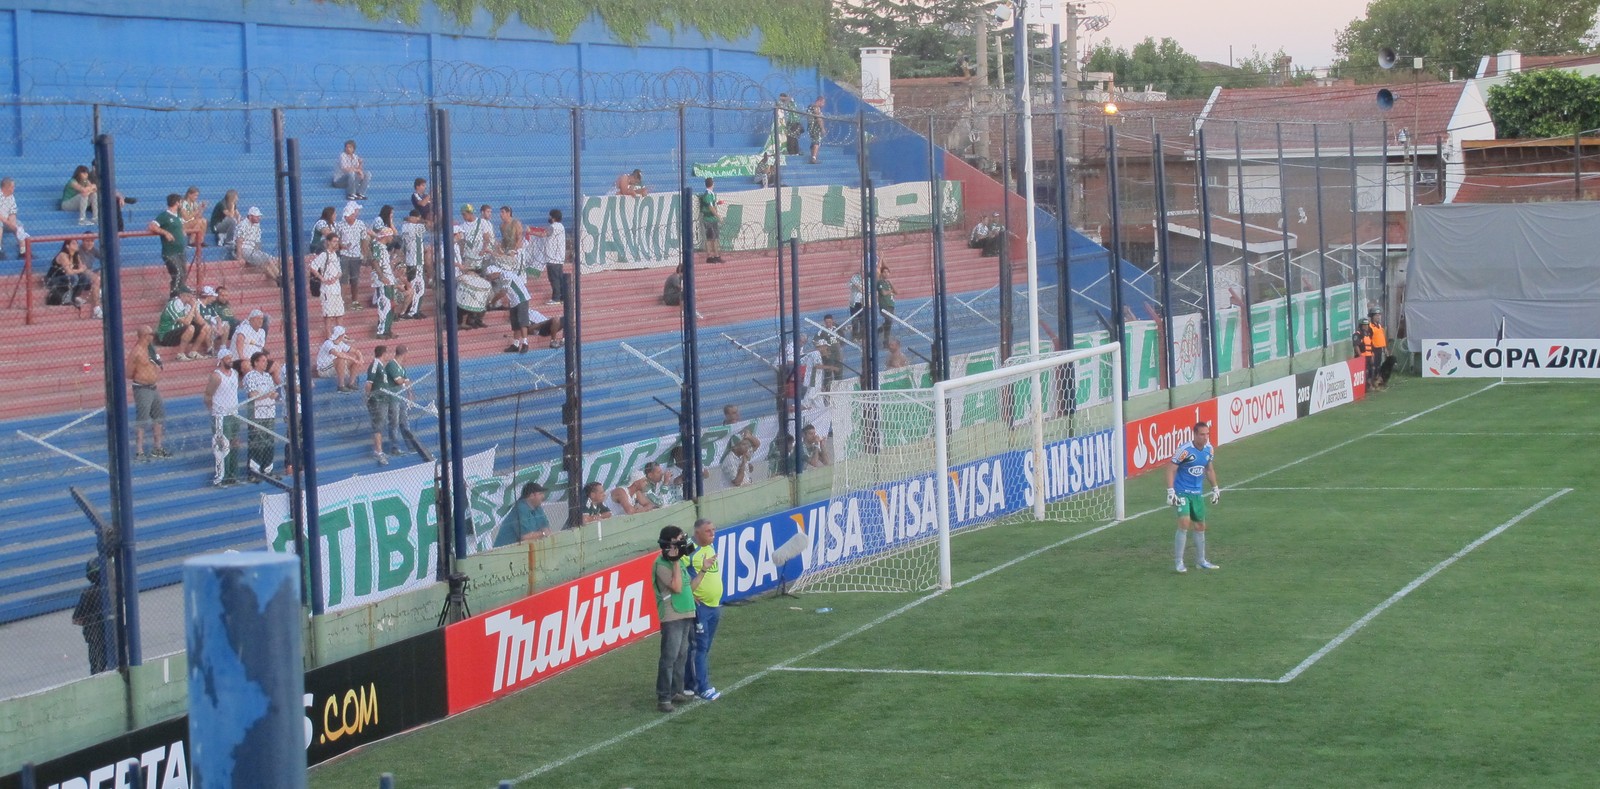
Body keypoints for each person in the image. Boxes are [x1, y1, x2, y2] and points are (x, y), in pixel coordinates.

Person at [1165, 421, 1221, 573]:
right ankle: (1178, 562)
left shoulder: (1209, 449)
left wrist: (1215, 488)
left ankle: (1201, 561)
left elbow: (1209, 469)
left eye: (1207, 434)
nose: (1205, 437)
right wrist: (1171, 492)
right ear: (1195, 434)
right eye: (1202, 434)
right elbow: (1171, 469)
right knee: (1184, 522)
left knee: (1200, 526)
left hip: (1197, 493)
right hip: (1182, 491)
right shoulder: (1184, 450)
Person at [653, 525, 697, 712]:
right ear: (671, 541)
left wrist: (702, 571)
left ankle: (676, 691)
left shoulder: (677, 561)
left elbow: (688, 586)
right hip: (672, 615)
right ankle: (664, 697)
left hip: (686, 612)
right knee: (669, 657)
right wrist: (677, 561)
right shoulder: (661, 564)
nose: (682, 541)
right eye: (679, 538)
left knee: (681, 655)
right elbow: (677, 587)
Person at [682, 518, 723, 701]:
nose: (712, 534)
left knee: (703, 648)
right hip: (701, 608)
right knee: (699, 647)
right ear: (697, 533)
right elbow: (676, 570)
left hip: (714, 606)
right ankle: (702, 687)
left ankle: (689, 684)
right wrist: (688, 594)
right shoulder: (690, 547)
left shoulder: (709, 546)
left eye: (713, 530)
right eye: (708, 531)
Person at [129, 326, 169, 460]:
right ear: (144, 336)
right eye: (151, 334)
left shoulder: (150, 349)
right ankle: (139, 450)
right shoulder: (136, 352)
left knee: (158, 417)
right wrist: (142, 375)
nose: (153, 336)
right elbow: (128, 373)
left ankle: (157, 447)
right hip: (142, 388)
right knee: (142, 419)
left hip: (153, 387)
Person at [205, 349, 244, 487]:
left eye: (231, 358)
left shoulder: (234, 373)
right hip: (221, 415)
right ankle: (220, 477)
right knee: (222, 446)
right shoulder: (216, 376)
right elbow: (208, 395)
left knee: (235, 443)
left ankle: (233, 475)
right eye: (227, 358)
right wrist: (213, 411)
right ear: (221, 360)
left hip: (233, 413)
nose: (230, 361)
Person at [242, 351, 279, 481]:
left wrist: (271, 395)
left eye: (266, 361)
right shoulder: (250, 376)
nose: (265, 363)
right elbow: (254, 395)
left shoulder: (268, 376)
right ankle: (254, 472)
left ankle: (267, 469)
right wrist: (267, 395)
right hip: (256, 414)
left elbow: (273, 392)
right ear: (255, 362)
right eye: (262, 361)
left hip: (269, 412)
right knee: (256, 441)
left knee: (269, 440)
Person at [71, 561, 111, 675]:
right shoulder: (113, 589)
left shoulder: (88, 593)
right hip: (112, 632)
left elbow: (76, 619)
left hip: (94, 634)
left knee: (97, 666)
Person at [488, 262, 534, 353]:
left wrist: (492, 302)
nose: (490, 278)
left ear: (494, 273)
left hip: (521, 299)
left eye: (490, 275)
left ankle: (525, 343)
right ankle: (516, 344)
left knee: (522, 321)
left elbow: (503, 292)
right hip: (514, 301)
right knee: (515, 323)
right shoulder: (501, 277)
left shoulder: (506, 275)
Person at [155, 287, 212, 361]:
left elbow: (201, 322)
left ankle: (193, 352)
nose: (191, 298)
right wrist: (193, 307)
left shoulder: (187, 304)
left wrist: (194, 307)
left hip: (179, 333)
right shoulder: (175, 303)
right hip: (166, 335)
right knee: (190, 328)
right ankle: (180, 354)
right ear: (182, 295)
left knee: (205, 327)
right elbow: (186, 322)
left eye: (191, 296)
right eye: (188, 296)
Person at [149, 193, 189, 293]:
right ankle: (174, 295)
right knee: (178, 273)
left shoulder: (178, 215)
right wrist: (165, 232)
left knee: (183, 272)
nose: (181, 204)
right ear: (177, 202)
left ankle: (180, 293)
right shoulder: (165, 215)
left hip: (180, 250)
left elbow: (183, 224)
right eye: (180, 202)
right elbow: (152, 226)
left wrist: (182, 230)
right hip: (170, 252)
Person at [335, 202, 369, 311]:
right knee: (343, 280)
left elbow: (364, 239)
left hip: (356, 255)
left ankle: (355, 301)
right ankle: (341, 301)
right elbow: (336, 240)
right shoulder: (340, 225)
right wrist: (342, 245)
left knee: (355, 279)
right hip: (344, 255)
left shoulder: (360, 224)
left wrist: (364, 254)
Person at [310, 234, 347, 336]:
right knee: (328, 314)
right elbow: (313, 266)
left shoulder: (335, 255)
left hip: (336, 288)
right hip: (327, 289)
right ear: (328, 242)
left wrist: (336, 277)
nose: (336, 243)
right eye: (334, 241)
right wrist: (322, 278)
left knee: (339, 313)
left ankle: (340, 335)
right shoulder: (324, 255)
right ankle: (329, 336)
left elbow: (340, 271)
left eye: (337, 241)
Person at [495, 482, 551, 547]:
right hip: (504, 550)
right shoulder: (520, 508)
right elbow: (525, 537)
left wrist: (542, 533)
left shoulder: (537, 507)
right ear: (532, 496)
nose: (543, 496)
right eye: (540, 494)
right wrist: (543, 533)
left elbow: (546, 528)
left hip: (521, 548)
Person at [385, 345, 417, 454]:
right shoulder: (391, 365)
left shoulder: (401, 367)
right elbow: (399, 381)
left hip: (400, 397)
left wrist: (410, 394)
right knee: (394, 422)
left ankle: (411, 446)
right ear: (403, 354)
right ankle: (394, 447)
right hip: (392, 398)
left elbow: (407, 382)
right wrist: (406, 382)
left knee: (405, 422)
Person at [365, 345, 393, 466]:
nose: (388, 355)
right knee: (378, 424)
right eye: (387, 353)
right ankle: (379, 451)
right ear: (383, 353)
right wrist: (368, 396)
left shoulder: (382, 366)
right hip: (377, 400)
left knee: (380, 424)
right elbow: (368, 383)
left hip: (383, 399)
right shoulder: (375, 365)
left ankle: (378, 450)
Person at [399, 209, 429, 319]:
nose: (418, 219)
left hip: (411, 260)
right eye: (416, 217)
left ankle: (415, 309)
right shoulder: (416, 227)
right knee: (419, 287)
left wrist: (410, 219)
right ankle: (413, 311)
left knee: (416, 286)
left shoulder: (405, 226)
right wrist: (421, 220)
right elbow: (428, 225)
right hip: (416, 261)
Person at [315, 325, 364, 392]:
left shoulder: (340, 343)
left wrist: (360, 359)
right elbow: (338, 354)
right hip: (324, 369)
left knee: (355, 360)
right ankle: (341, 386)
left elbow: (356, 351)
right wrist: (353, 359)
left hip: (334, 366)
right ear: (341, 335)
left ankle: (351, 384)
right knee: (340, 359)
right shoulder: (328, 343)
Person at [235, 206, 279, 281]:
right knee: (266, 260)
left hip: (253, 250)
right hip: (245, 249)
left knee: (271, 261)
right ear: (250, 216)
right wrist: (240, 257)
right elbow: (239, 241)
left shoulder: (257, 225)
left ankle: (278, 279)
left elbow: (257, 242)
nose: (259, 218)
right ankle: (280, 277)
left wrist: (258, 252)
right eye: (257, 216)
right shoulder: (243, 225)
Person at [540, 208, 567, 306]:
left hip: (552, 257)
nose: (549, 218)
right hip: (559, 257)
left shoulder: (553, 227)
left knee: (554, 279)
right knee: (559, 278)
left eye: (550, 216)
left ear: (553, 217)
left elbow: (543, 235)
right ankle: (562, 297)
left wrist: (531, 232)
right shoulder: (561, 226)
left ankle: (556, 298)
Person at [0, 177, 28, 259]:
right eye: (12, 186)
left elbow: (13, 213)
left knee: (19, 225)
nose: (14, 188)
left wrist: (13, 224)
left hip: (6, 220)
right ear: (6, 187)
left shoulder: (11, 197)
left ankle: (23, 251)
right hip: (2, 220)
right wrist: (9, 223)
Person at [699, 178, 723, 263]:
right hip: (709, 219)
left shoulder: (710, 194)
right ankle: (710, 256)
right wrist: (718, 216)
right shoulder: (708, 194)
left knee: (715, 238)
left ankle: (716, 255)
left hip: (712, 219)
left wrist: (717, 203)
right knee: (710, 238)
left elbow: (711, 205)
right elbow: (710, 207)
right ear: (712, 184)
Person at [1367, 308, 1389, 390]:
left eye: (1379, 315)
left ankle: (1376, 382)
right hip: (1374, 349)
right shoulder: (1370, 327)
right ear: (1372, 316)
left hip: (1380, 349)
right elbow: (1369, 340)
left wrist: (1385, 348)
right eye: (1376, 315)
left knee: (1378, 366)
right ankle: (1370, 384)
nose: (1378, 317)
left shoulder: (1379, 326)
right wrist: (1371, 352)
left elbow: (1382, 338)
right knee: (1373, 366)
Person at [807, 96, 826, 164]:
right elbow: (819, 118)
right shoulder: (816, 107)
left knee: (814, 141)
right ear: (819, 101)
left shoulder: (810, 107)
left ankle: (813, 157)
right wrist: (822, 128)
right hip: (816, 128)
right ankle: (814, 158)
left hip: (810, 127)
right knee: (816, 142)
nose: (823, 105)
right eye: (823, 103)